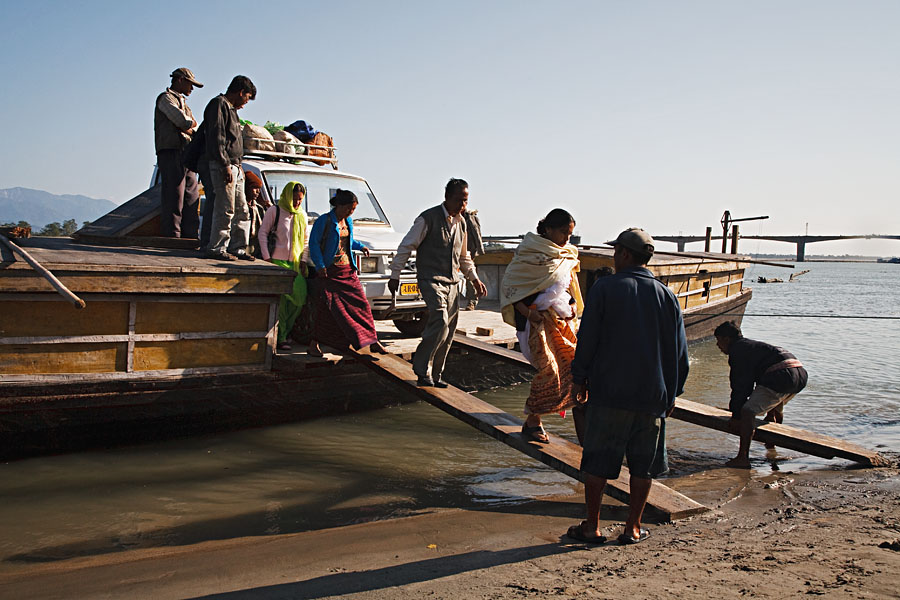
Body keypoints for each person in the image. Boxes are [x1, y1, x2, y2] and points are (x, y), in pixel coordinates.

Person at [568, 228, 688, 545]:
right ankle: (632, 527)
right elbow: (680, 354)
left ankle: (592, 527)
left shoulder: (605, 288)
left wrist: (578, 379)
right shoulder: (668, 296)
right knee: (642, 466)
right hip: (652, 397)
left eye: (615, 251)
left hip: (610, 394)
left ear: (623, 254)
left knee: (597, 461)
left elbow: (588, 339)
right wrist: (673, 392)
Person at [388, 178, 487, 387]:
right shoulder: (427, 219)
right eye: (460, 200)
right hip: (430, 279)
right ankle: (421, 368)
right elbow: (406, 246)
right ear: (447, 197)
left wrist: (474, 279)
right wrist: (395, 274)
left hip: (452, 281)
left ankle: (436, 374)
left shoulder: (462, 224)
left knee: (449, 330)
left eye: (466, 201)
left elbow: (464, 257)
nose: (463, 206)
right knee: (440, 320)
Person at [499, 209, 584, 444]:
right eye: (563, 233)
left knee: (574, 365)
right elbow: (511, 286)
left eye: (570, 234)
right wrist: (528, 313)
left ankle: (544, 419)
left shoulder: (566, 254)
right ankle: (533, 421)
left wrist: (573, 304)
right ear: (548, 229)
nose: (567, 239)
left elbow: (569, 286)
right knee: (549, 369)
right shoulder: (529, 252)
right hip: (533, 322)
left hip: (559, 320)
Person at [714, 320, 808, 468]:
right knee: (774, 405)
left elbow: (740, 386)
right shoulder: (752, 346)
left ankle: (742, 458)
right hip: (799, 374)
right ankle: (771, 446)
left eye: (718, 341)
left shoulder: (738, 351)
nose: (718, 346)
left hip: (781, 375)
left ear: (727, 339)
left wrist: (736, 415)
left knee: (747, 411)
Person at [307, 189, 388, 357]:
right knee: (326, 309)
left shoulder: (348, 221)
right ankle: (314, 344)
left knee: (362, 305)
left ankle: (373, 341)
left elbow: (348, 241)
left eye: (353, 209)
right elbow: (314, 244)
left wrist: (360, 246)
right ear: (340, 206)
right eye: (350, 209)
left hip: (347, 271)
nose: (351, 212)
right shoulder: (324, 221)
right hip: (330, 271)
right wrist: (320, 265)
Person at [203, 75, 256, 261]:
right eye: (246, 98)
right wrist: (225, 164)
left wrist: (238, 165)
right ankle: (217, 247)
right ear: (241, 92)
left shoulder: (233, 110)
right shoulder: (219, 105)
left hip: (236, 165)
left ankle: (238, 247)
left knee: (242, 209)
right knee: (225, 208)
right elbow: (217, 137)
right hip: (222, 165)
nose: (245, 103)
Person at [258, 181, 308, 351]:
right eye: (294, 199)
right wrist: (266, 258)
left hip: (295, 264)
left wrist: (304, 260)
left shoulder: (302, 215)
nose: (297, 203)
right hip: (278, 262)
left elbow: (306, 241)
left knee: (299, 300)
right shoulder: (275, 211)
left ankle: (286, 332)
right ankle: (281, 337)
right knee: (282, 303)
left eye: (300, 200)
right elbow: (263, 233)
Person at [154, 67, 202, 239]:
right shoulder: (165, 99)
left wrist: (188, 126)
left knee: (191, 194)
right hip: (171, 150)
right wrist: (188, 126)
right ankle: (172, 236)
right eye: (190, 84)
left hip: (185, 152)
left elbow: (191, 126)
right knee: (175, 195)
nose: (192, 88)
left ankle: (189, 235)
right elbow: (183, 121)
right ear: (180, 80)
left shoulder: (183, 104)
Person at [461, 208, 485, 310]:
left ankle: (472, 301)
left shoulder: (470, 218)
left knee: (470, 276)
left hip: (468, 250)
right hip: (456, 251)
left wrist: (477, 251)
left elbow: (477, 235)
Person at [244, 171, 269, 258]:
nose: (258, 191)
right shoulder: (239, 208)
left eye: (259, 188)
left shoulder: (259, 209)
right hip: (243, 248)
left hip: (255, 250)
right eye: (254, 187)